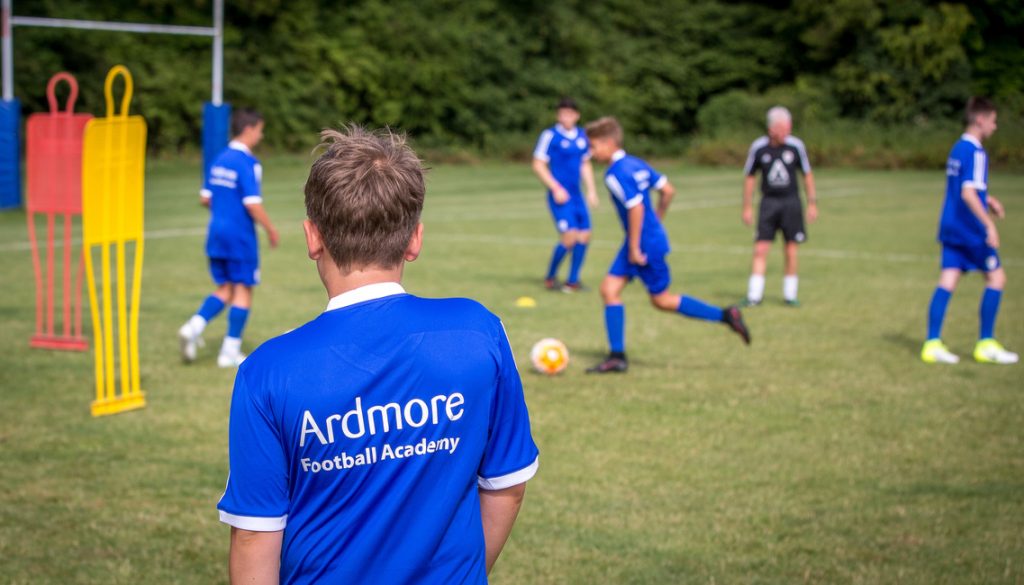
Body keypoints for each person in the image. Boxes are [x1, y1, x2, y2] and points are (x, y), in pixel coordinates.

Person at [217, 126, 539, 584]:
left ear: (312, 238)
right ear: (415, 240)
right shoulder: (479, 330)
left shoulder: (267, 371)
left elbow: (255, 536)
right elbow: (508, 486)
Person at [583, 117, 750, 373]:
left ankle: (725, 315)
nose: (591, 153)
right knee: (611, 290)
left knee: (661, 300)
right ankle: (617, 356)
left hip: (643, 243)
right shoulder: (636, 164)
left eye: (593, 146)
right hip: (646, 238)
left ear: (608, 142)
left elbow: (636, 207)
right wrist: (656, 220)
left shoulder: (615, 174)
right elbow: (668, 190)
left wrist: (636, 245)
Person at [178, 109, 279, 368]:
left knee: (226, 288)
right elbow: (252, 203)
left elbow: (205, 198)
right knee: (244, 289)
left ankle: (193, 327)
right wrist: (270, 229)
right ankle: (229, 352)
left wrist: (224, 208)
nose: (261, 135)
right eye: (259, 130)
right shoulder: (248, 163)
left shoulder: (219, 158)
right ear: (248, 130)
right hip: (240, 236)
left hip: (216, 233)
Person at [921, 97, 1017, 365]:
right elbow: (967, 192)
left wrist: (989, 198)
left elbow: (967, 189)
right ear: (980, 120)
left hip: (950, 226)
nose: (995, 127)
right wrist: (988, 224)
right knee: (997, 279)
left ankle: (932, 343)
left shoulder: (957, 148)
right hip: (970, 230)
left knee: (947, 281)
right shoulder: (975, 152)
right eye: (994, 121)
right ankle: (986, 343)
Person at [741, 106, 817, 307]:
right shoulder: (759, 147)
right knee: (760, 249)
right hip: (768, 203)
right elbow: (749, 177)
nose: (786, 133)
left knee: (791, 248)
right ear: (771, 129)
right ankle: (754, 296)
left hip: (791, 202)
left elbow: (807, 174)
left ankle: (790, 295)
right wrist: (747, 207)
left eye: (788, 128)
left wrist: (812, 203)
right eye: (783, 129)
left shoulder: (795, 146)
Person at [532, 97, 599, 292]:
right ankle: (550, 278)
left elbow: (585, 163)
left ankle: (573, 281)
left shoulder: (582, 136)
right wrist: (555, 188)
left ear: (577, 115)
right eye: (562, 113)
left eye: (570, 113)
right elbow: (538, 164)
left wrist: (592, 190)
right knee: (569, 237)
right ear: (558, 115)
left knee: (584, 236)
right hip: (560, 196)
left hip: (577, 196)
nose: (566, 117)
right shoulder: (550, 135)